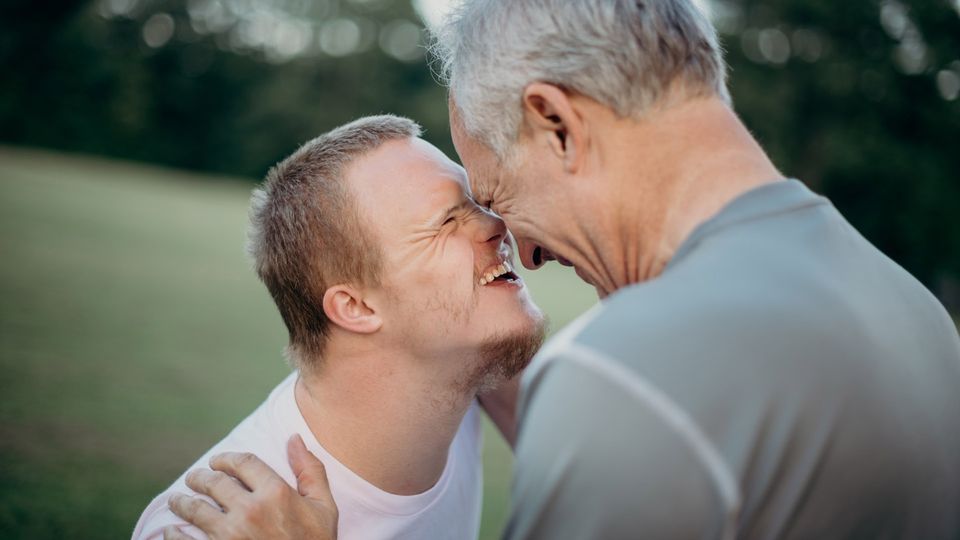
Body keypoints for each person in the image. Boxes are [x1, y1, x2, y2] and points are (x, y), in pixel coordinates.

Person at [168, 0, 960, 538]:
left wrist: (593, 393)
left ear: (557, 124)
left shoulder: (632, 379)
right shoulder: (910, 307)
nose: (523, 247)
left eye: (496, 192)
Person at [136, 115, 545, 540]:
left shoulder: (466, 366)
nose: (496, 224)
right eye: (446, 223)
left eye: (479, 203)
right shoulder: (212, 524)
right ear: (355, 307)